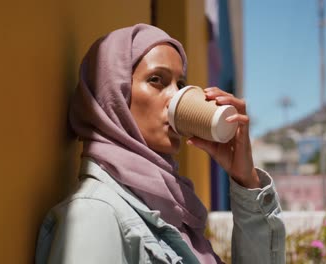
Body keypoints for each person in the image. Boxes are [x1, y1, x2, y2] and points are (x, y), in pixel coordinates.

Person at [35, 23, 285, 264]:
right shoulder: (95, 216)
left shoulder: (172, 212)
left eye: (181, 84)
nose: (176, 96)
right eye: (157, 80)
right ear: (115, 97)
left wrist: (246, 180)